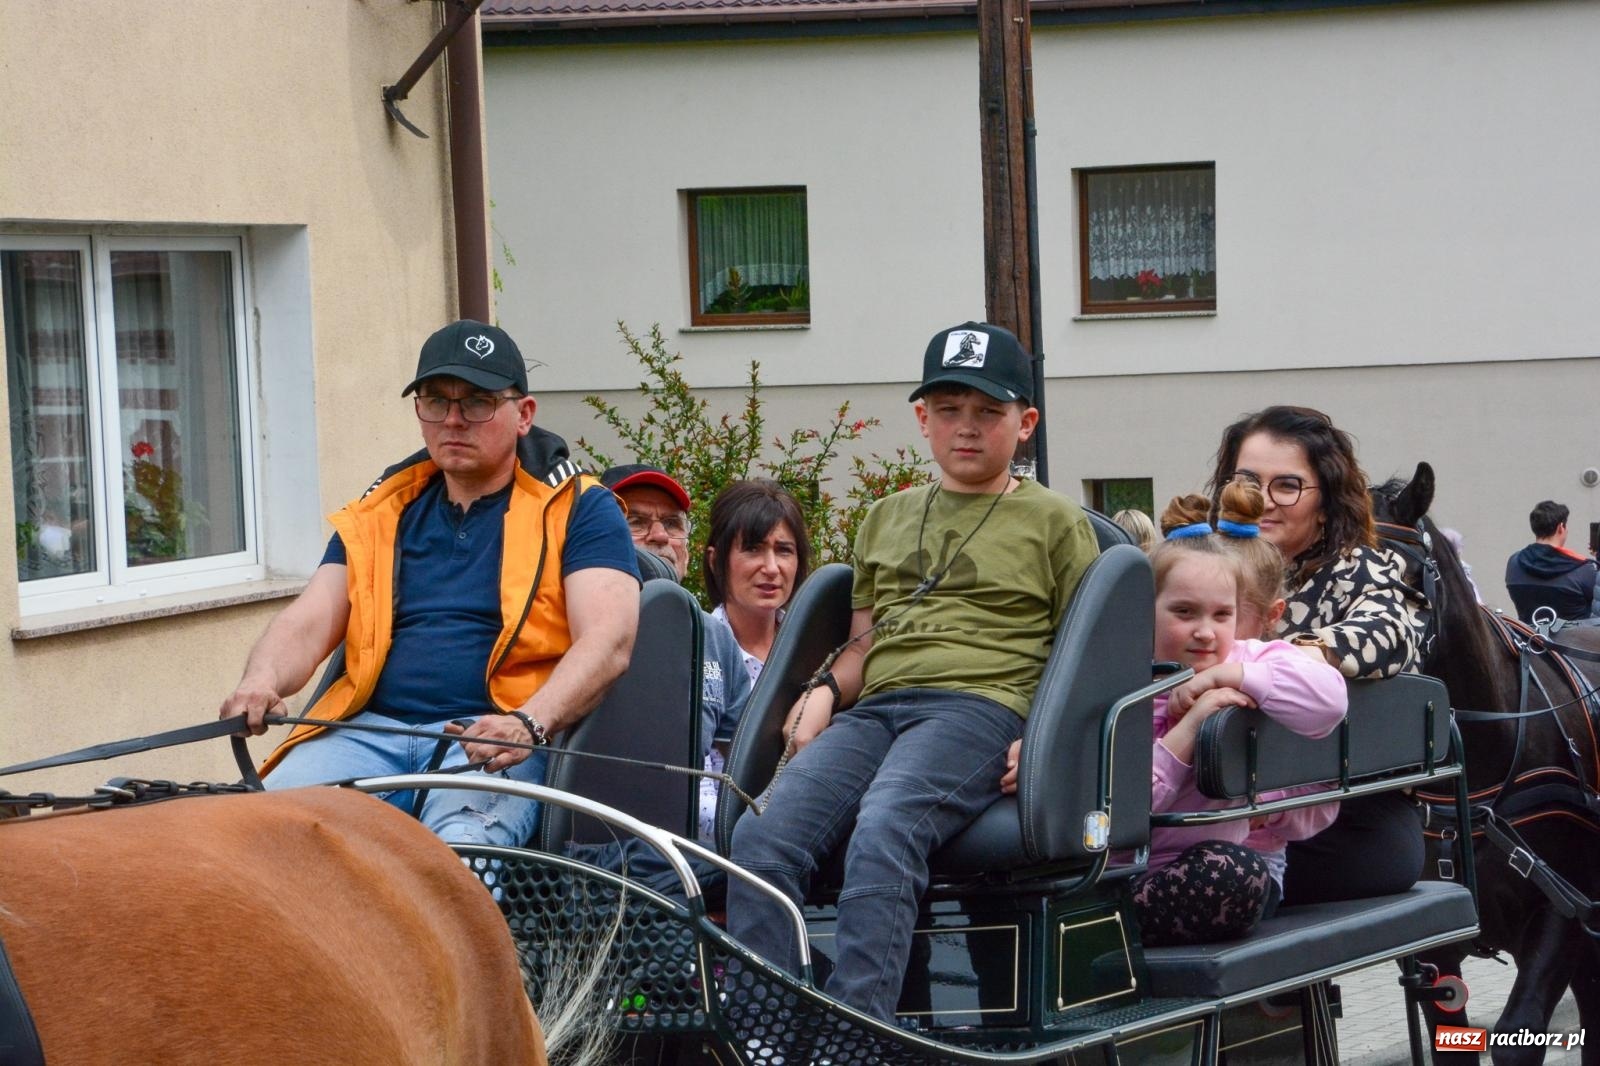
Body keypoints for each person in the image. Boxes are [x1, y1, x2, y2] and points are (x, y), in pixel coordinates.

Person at [726, 321, 1100, 1021]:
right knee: (760, 839)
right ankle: (767, 1034)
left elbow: (1082, 653)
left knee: (887, 826)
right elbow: (864, 646)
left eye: (989, 411)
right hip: (879, 710)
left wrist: (1048, 738)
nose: (968, 428)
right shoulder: (883, 519)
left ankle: (859, 1037)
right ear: (923, 419)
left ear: (1026, 423)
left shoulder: (1056, 521)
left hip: (982, 706)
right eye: (950, 410)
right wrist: (821, 693)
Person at [219, 320, 640, 846]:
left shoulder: (581, 507)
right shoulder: (381, 511)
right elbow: (309, 620)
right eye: (436, 401)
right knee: (253, 837)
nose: (454, 420)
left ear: (524, 415)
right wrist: (260, 681)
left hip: (492, 739)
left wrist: (530, 723)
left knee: (461, 857)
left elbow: (609, 639)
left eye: (478, 402)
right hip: (368, 733)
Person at [1206, 405, 1426, 904]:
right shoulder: (1201, 561)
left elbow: (1389, 631)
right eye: (1246, 480)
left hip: (1340, 817)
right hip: (1210, 799)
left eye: (1286, 485)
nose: (1262, 501)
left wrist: (1276, 664)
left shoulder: (1361, 568)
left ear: (1325, 503)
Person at [1135, 488, 1347, 945]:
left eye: (1222, 614)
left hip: (1210, 870)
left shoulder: (1248, 657)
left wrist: (1226, 678)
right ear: (1142, 611)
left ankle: (1111, 930)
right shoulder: (1122, 682)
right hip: (1119, 871)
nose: (1206, 632)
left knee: (1233, 874)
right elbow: (1128, 808)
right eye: (1183, 612)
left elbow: (1329, 702)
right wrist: (1192, 727)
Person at [600, 463, 754, 841]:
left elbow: (741, 765)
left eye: (672, 524)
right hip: (590, 842)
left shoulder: (716, 637)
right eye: (635, 520)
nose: (659, 537)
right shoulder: (571, 624)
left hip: (686, 843)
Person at [703, 479, 811, 679]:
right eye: (753, 549)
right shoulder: (696, 650)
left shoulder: (816, 648)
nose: (771, 568)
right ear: (715, 560)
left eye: (784, 550)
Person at [1504, 500, 1599, 623]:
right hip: (1574, 641)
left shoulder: (1514, 562)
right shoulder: (1585, 570)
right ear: (1561, 527)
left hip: (1528, 638)